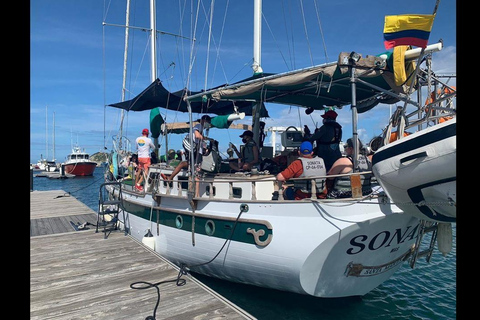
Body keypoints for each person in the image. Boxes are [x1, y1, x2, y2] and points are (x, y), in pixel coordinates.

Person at [161, 115, 211, 183]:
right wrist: (207, 139)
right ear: (204, 121)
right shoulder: (199, 126)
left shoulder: (201, 128)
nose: (208, 123)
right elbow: (197, 135)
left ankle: (170, 177)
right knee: (191, 165)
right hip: (193, 148)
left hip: (196, 150)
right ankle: (171, 178)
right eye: (208, 122)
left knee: (185, 164)